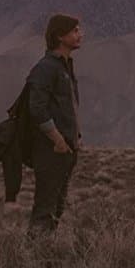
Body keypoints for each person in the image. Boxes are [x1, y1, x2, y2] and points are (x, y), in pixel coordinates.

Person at [26, 13, 83, 234]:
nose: (81, 35)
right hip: (51, 150)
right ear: (60, 36)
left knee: (57, 207)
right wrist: (57, 139)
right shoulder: (46, 68)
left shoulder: (64, 66)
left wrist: (75, 137)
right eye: (75, 30)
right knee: (45, 207)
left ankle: (43, 255)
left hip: (67, 148)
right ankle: (32, 258)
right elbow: (37, 108)